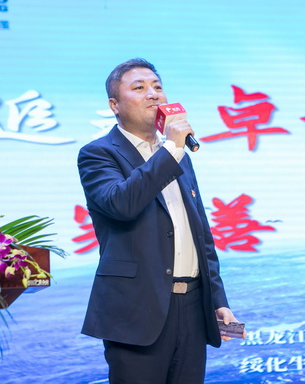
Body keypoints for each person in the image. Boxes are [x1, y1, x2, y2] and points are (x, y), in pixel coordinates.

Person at [77, 58, 242, 384]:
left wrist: (217, 300)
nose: (153, 94)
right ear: (114, 105)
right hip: (137, 312)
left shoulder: (178, 156)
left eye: (157, 87)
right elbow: (121, 203)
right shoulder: (99, 154)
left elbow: (200, 234)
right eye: (139, 88)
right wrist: (172, 149)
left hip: (192, 308)